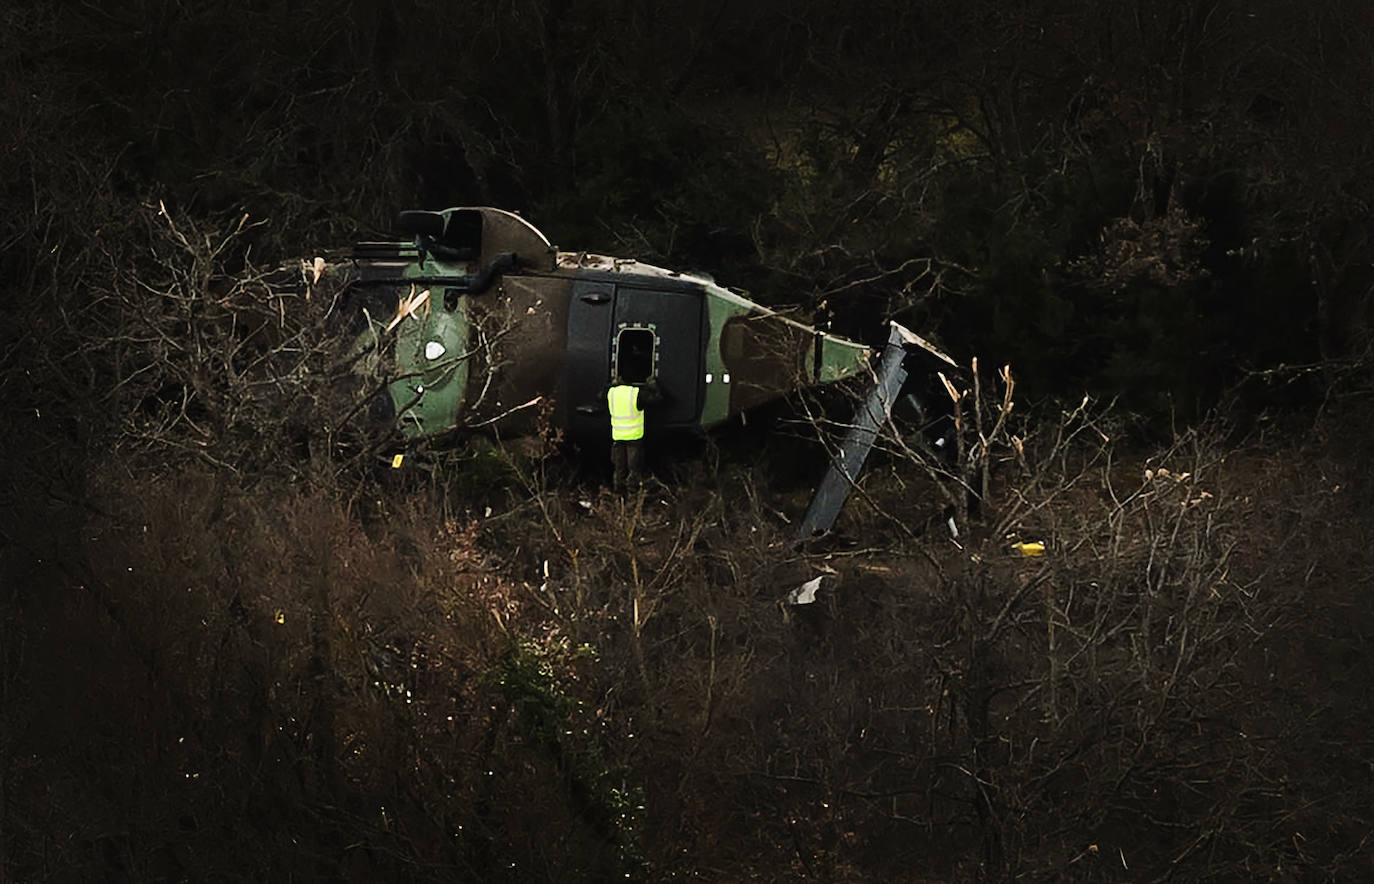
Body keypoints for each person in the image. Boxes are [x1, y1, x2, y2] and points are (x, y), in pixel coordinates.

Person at [606, 377, 662, 489]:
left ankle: (618, 497)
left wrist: (610, 385)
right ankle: (633, 495)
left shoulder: (611, 392)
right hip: (634, 438)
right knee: (634, 469)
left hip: (618, 437)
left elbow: (599, 397)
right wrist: (653, 386)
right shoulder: (636, 394)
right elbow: (657, 399)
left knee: (619, 468)